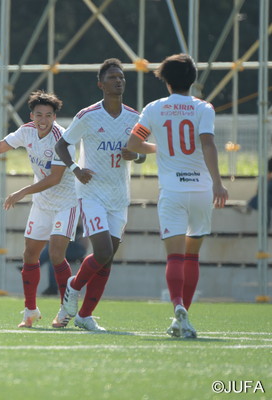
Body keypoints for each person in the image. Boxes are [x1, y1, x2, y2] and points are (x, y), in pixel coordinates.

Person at [127, 53, 228, 338]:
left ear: (166, 81)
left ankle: (177, 306)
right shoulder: (203, 108)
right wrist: (218, 184)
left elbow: (134, 143)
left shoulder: (153, 108)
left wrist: (160, 148)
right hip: (200, 190)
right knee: (192, 256)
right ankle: (186, 318)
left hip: (171, 191)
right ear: (193, 80)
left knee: (173, 256)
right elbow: (208, 144)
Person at [55, 58, 146, 331]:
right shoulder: (88, 115)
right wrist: (75, 169)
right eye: (113, 77)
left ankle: (84, 315)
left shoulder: (135, 117)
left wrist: (137, 155)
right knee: (103, 250)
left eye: (122, 77)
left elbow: (142, 153)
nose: (119, 81)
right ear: (101, 84)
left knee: (108, 257)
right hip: (92, 193)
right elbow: (62, 145)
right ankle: (73, 287)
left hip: (119, 196)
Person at [0, 90, 80, 328]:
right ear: (31, 115)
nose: (43, 119)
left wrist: (21, 192)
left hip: (66, 203)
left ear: (54, 118)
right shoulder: (26, 131)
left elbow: (54, 179)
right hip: (42, 203)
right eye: (39, 114)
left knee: (58, 255)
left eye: (48, 115)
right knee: (30, 254)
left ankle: (64, 309)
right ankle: (30, 311)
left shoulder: (63, 140)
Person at [41, 226, 88, 295]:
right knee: (53, 257)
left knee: (52, 250)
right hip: (66, 248)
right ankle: (53, 288)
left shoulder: (75, 220)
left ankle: (34, 265)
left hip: (77, 248)